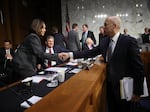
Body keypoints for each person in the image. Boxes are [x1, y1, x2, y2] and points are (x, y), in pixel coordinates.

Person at [60, 16, 145, 112]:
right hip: (108, 86)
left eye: (105, 24)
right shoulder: (104, 41)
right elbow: (89, 52)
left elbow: (138, 67)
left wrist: (138, 91)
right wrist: (69, 54)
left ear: (114, 26)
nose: (103, 27)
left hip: (125, 87)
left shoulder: (129, 41)